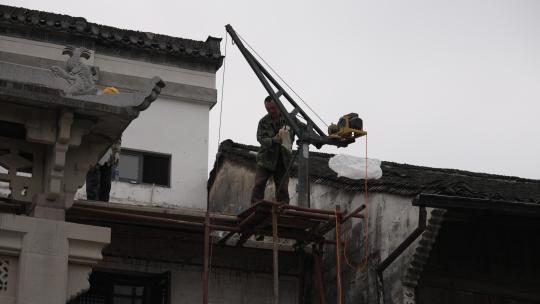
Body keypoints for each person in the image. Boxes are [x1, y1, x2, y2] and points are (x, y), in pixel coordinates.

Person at [251, 96, 295, 204]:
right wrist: (273, 140)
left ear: (278, 106)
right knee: (259, 184)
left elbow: (303, 128)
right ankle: (256, 206)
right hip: (266, 159)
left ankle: (283, 209)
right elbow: (260, 138)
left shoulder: (289, 119)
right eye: (268, 109)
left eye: (273, 108)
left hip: (283, 160)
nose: (271, 111)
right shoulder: (263, 122)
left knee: (283, 189)